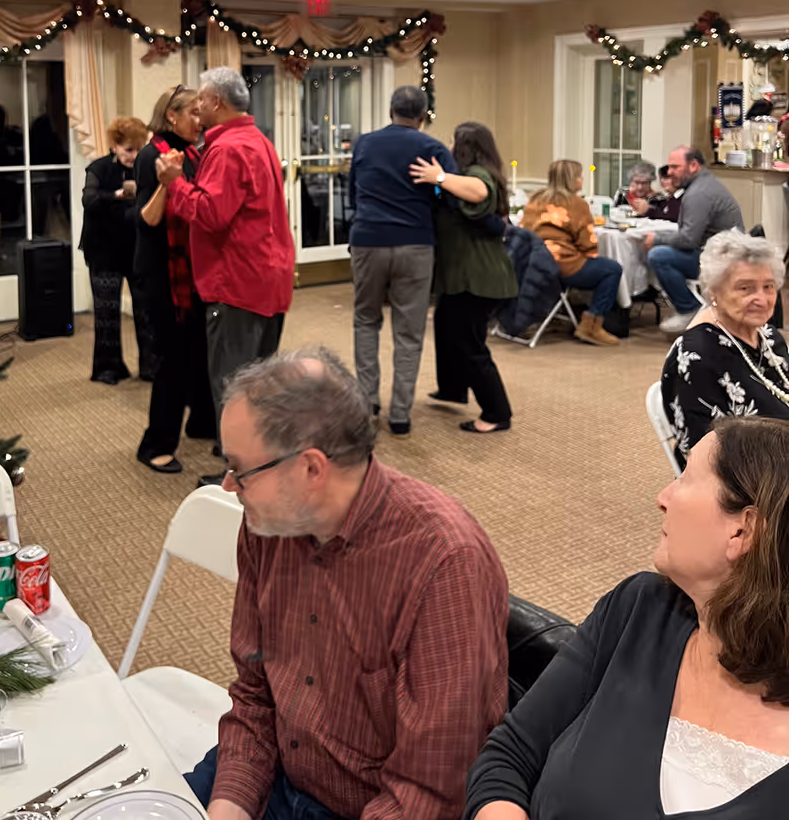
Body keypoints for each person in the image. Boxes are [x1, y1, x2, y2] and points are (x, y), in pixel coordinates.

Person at [186, 348, 509, 820]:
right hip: (277, 765)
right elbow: (255, 695)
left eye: (241, 469)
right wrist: (229, 806)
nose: (229, 485)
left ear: (311, 469)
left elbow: (427, 793)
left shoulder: (444, 565)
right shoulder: (269, 524)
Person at [464, 415, 789, 820]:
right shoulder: (638, 609)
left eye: (685, 478)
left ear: (743, 531)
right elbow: (508, 758)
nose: (662, 496)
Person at [155, 66, 295, 486]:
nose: (196, 108)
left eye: (200, 99)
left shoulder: (228, 148)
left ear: (216, 102)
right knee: (257, 383)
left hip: (237, 284)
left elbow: (211, 214)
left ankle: (243, 474)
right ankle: (262, 463)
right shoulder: (259, 141)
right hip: (266, 278)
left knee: (234, 387)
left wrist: (175, 183)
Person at [348, 86, 458, 434]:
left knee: (366, 321)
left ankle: (367, 404)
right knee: (409, 332)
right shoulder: (432, 148)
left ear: (391, 111)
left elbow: (352, 192)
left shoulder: (365, 143)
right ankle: (400, 414)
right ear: (423, 116)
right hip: (415, 243)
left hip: (368, 240)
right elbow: (450, 198)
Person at [410, 122, 517, 434]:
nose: (450, 148)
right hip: (465, 277)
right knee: (445, 325)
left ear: (467, 147)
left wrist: (439, 177)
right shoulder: (468, 176)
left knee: (469, 343)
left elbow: (480, 191)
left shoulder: (478, 176)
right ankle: (452, 388)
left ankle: (497, 412)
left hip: (479, 279)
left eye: (455, 143)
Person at [131, 86, 217, 474]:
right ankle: (155, 445)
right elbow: (147, 218)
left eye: (202, 113)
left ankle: (201, 422)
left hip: (192, 270)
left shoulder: (195, 154)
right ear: (171, 116)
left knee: (199, 352)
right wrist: (169, 182)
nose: (200, 120)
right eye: (193, 113)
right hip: (161, 272)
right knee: (172, 361)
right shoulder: (153, 155)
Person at [661, 229, 789, 470]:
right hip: (749, 483)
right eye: (745, 288)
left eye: (768, 287)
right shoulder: (696, 355)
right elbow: (703, 456)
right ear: (714, 293)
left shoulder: (769, 337)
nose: (762, 299)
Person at [521, 160, 623, 346]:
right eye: (579, 175)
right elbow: (587, 243)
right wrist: (589, 255)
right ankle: (591, 325)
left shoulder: (535, 198)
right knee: (611, 269)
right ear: (572, 179)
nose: (582, 178)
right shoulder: (576, 204)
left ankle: (553, 314)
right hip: (562, 265)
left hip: (533, 263)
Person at [79, 115, 149, 384]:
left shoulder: (145, 169)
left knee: (146, 310)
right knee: (107, 311)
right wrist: (118, 195)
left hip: (137, 248)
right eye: (128, 149)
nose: (133, 155)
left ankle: (151, 366)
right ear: (114, 146)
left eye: (138, 149)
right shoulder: (97, 169)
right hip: (104, 249)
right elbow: (89, 200)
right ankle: (108, 368)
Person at [646, 146, 744, 335]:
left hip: (721, 260)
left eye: (675, 167)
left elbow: (688, 239)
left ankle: (688, 309)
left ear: (693, 165)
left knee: (659, 256)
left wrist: (657, 239)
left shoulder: (698, 193)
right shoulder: (706, 184)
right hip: (724, 252)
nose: (670, 172)